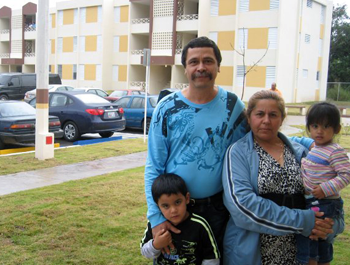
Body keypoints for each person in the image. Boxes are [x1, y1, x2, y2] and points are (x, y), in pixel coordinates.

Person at [144, 36, 247, 255]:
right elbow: (154, 166)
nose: (201, 67)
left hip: (218, 209)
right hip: (174, 209)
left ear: (218, 66)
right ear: (185, 69)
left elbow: (255, 141)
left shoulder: (232, 105)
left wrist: (304, 143)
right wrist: (156, 217)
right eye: (194, 62)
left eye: (208, 61)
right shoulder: (167, 108)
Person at [222, 90, 334, 265]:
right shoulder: (238, 153)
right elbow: (242, 206)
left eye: (273, 115)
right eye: (260, 114)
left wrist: (330, 226)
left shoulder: (300, 152)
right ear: (249, 117)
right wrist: (303, 221)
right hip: (255, 253)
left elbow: (327, 196)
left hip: (298, 253)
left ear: (282, 119)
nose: (266, 120)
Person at [296, 102, 349, 265]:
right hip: (312, 201)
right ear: (309, 128)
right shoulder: (314, 148)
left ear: (337, 129)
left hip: (326, 203)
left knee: (319, 240)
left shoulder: (335, 150)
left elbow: (346, 174)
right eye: (315, 125)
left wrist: (325, 189)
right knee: (313, 243)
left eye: (326, 126)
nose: (320, 130)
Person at [140, 173, 220, 265]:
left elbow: (212, 258)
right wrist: (156, 245)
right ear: (157, 205)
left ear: (187, 198)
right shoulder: (155, 225)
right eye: (166, 206)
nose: (173, 210)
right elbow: (145, 253)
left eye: (177, 202)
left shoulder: (200, 225)